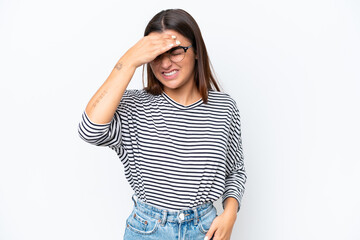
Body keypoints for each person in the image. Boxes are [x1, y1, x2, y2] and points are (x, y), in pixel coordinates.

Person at [78, 8, 246, 240]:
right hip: (148, 231)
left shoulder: (224, 108)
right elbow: (89, 130)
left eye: (176, 52)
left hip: (206, 230)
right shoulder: (133, 106)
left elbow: (235, 170)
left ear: (196, 51)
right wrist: (127, 62)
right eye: (156, 55)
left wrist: (230, 214)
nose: (165, 64)